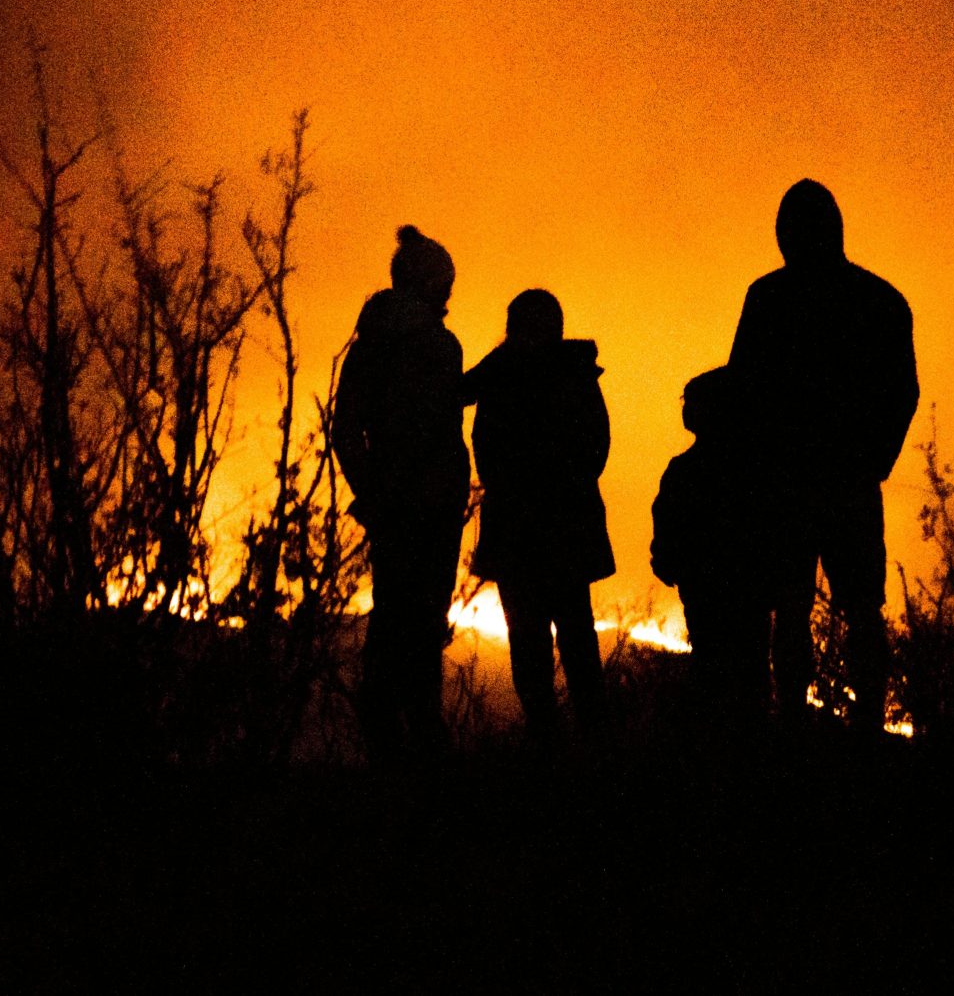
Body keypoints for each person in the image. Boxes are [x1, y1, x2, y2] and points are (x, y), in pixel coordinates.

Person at [728, 179, 919, 731]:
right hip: (841, 481)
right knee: (857, 611)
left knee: (794, 608)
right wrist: (873, 461)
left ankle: (793, 721)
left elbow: (746, 386)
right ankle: (862, 727)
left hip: (793, 482)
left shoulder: (768, 297)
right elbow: (900, 394)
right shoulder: (880, 300)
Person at [332, 224, 469, 760]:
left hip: (399, 503)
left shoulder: (372, 343)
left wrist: (370, 491)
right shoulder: (437, 344)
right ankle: (415, 745)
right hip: (428, 505)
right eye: (446, 281)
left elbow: (346, 428)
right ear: (434, 282)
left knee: (395, 618)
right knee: (416, 624)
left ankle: (395, 740)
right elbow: (434, 429)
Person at [464, 289, 614, 741]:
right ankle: (592, 738)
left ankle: (549, 739)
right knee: (573, 633)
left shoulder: (500, 377)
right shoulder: (577, 375)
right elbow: (596, 448)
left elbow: (484, 447)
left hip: (519, 530)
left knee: (532, 638)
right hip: (566, 526)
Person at [651, 364, 795, 720]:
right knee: (748, 669)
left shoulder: (686, 469)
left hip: (711, 587)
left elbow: (667, 524)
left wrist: (666, 561)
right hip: (743, 590)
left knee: (714, 666)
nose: (685, 408)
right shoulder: (756, 469)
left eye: (692, 402)